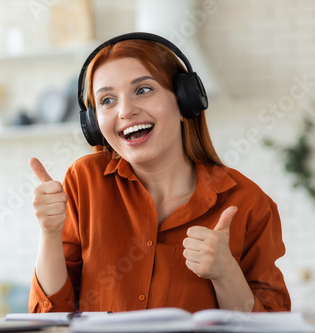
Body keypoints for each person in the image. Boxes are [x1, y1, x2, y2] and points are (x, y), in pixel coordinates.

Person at [28, 33, 291, 313]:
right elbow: (53, 316)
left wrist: (227, 275)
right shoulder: (83, 182)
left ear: (184, 101)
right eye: (107, 100)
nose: (125, 111)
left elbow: (272, 326)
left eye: (143, 90)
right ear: (93, 123)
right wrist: (49, 233)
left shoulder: (248, 203)